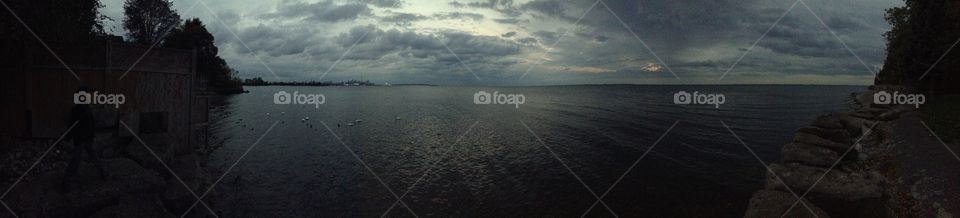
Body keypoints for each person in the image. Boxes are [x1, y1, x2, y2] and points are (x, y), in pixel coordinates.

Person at [61, 86, 108, 193]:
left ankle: (103, 172)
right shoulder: (78, 109)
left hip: (86, 138)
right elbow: (72, 125)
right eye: (88, 94)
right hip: (80, 138)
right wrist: (68, 137)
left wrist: (91, 135)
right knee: (77, 159)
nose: (90, 96)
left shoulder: (85, 107)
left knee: (90, 155)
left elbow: (89, 124)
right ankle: (66, 182)